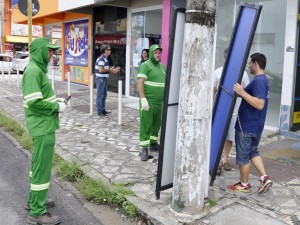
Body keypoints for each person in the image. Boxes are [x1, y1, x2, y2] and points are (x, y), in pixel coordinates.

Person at [22, 37, 65, 225]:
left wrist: (56, 103)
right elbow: (33, 102)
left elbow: (39, 99)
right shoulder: (33, 71)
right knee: (42, 169)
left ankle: (34, 200)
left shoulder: (36, 70)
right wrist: (56, 107)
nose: (51, 54)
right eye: (49, 50)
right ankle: (37, 212)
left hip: (43, 125)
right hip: (42, 126)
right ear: (39, 50)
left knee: (38, 167)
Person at [228, 52, 272, 193]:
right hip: (256, 126)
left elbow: (260, 104)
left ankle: (244, 184)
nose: (249, 66)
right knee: (253, 151)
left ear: (256, 64)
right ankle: (264, 177)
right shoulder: (263, 80)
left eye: (250, 63)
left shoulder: (259, 81)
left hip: (247, 126)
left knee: (243, 156)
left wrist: (242, 92)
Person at [214, 49, 249, 175]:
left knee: (229, 137)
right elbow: (213, 91)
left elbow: (245, 91)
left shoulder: (243, 74)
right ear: (225, 58)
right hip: (220, 111)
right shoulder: (217, 72)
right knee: (217, 136)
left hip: (235, 112)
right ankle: (216, 162)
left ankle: (225, 160)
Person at [137, 44, 166, 161]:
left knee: (156, 124)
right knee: (146, 124)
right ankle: (144, 148)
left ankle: (153, 143)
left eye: (159, 52)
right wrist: (143, 98)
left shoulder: (162, 67)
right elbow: (140, 82)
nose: (158, 54)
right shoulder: (145, 65)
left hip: (159, 103)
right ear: (150, 54)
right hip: (148, 101)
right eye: (155, 52)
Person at [95, 44, 120, 116]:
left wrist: (110, 70)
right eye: (109, 49)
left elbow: (104, 69)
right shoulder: (102, 58)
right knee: (100, 95)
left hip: (103, 78)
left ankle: (102, 110)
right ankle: (100, 111)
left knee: (104, 95)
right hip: (101, 79)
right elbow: (101, 70)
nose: (110, 51)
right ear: (105, 50)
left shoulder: (105, 58)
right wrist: (111, 71)